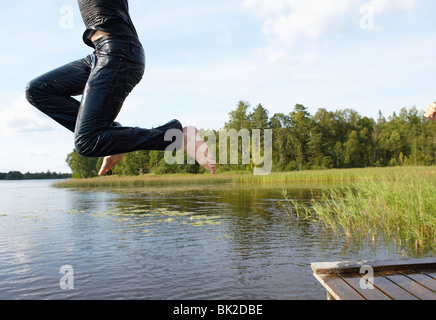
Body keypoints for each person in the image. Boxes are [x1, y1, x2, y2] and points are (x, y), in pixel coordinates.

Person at [25, 0, 216, 175]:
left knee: (87, 143)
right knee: (38, 90)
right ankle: (113, 139)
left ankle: (178, 138)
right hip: (101, 53)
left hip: (119, 53)